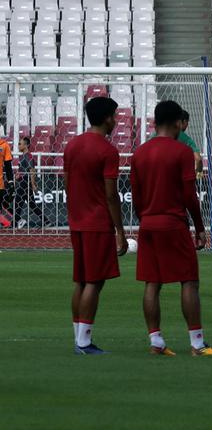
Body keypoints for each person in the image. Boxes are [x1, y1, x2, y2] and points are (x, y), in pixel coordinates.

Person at [131, 100, 212, 357]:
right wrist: (199, 227)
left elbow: (136, 196)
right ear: (177, 123)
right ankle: (197, 343)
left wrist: (145, 217)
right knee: (189, 281)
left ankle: (156, 341)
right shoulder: (181, 152)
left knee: (152, 282)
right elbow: (189, 195)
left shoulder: (139, 153)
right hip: (173, 223)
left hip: (148, 224)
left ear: (154, 122)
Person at [65, 96, 126, 354]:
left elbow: (67, 183)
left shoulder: (72, 145)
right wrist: (120, 231)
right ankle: (84, 341)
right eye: (114, 115)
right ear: (106, 118)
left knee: (80, 279)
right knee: (94, 281)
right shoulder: (107, 150)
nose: (116, 120)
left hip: (77, 220)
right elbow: (111, 194)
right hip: (97, 222)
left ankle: (78, 336)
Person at [176, 108, 204, 176]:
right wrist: (198, 174)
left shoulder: (159, 134)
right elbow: (198, 159)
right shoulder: (187, 139)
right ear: (185, 122)